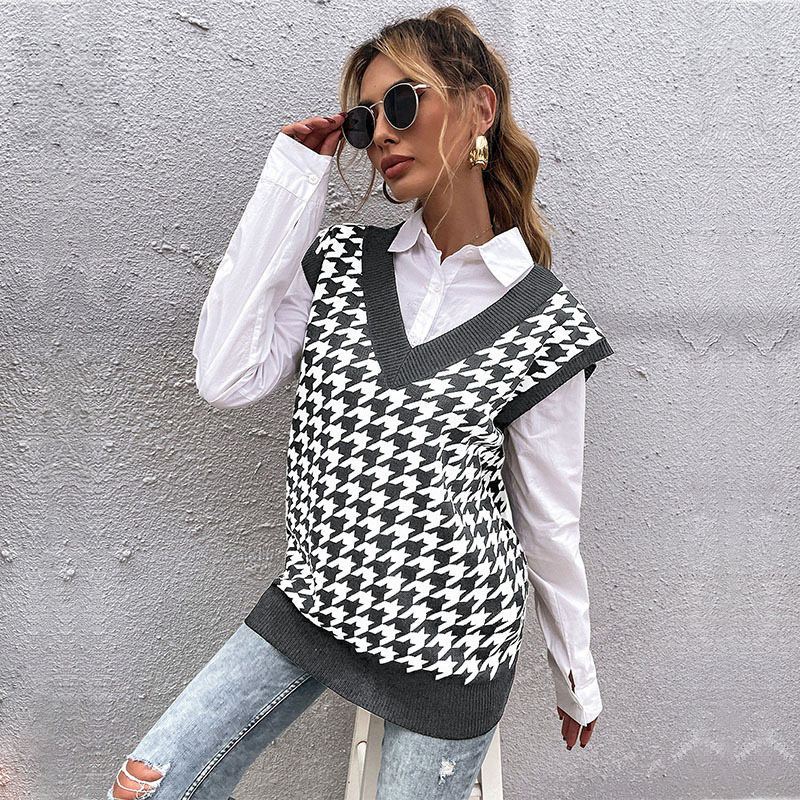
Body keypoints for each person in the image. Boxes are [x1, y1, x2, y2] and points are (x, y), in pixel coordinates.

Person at [107, 7, 614, 800]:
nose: (380, 134)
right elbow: (225, 375)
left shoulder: (544, 322)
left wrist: (574, 673)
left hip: (453, 645)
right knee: (148, 786)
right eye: (363, 119)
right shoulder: (341, 264)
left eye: (402, 104)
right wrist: (290, 183)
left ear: (479, 108)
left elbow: (548, 522)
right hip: (317, 603)